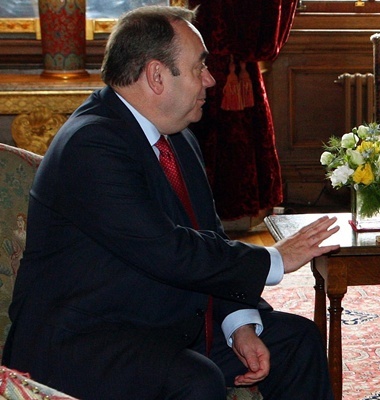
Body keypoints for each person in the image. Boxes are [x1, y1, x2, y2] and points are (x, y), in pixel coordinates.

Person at [2, 6, 339, 400]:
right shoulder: (91, 145)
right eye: (199, 67)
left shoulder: (176, 136)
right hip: (83, 340)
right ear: (156, 75)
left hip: (160, 322)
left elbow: (206, 236)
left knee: (296, 341)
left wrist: (238, 322)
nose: (210, 80)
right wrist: (274, 259)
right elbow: (168, 250)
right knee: (196, 380)